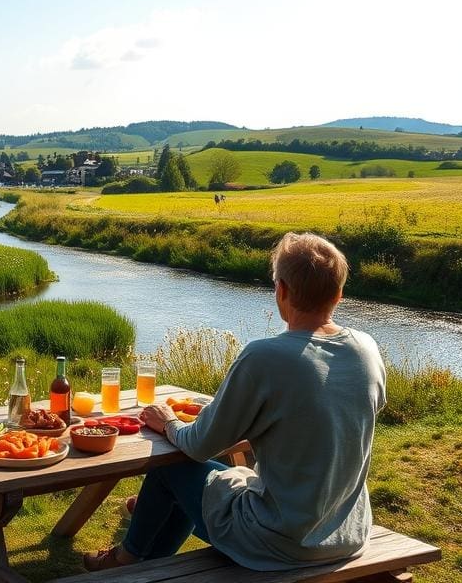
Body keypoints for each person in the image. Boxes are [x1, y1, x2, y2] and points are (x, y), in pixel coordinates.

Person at [85, 232, 386, 572]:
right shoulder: (367, 349)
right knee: (214, 481)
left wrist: (168, 421)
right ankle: (145, 560)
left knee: (170, 468)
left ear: (281, 290)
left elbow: (198, 445)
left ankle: (128, 558)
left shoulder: (265, 356)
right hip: (347, 533)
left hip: (280, 541)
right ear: (339, 294)